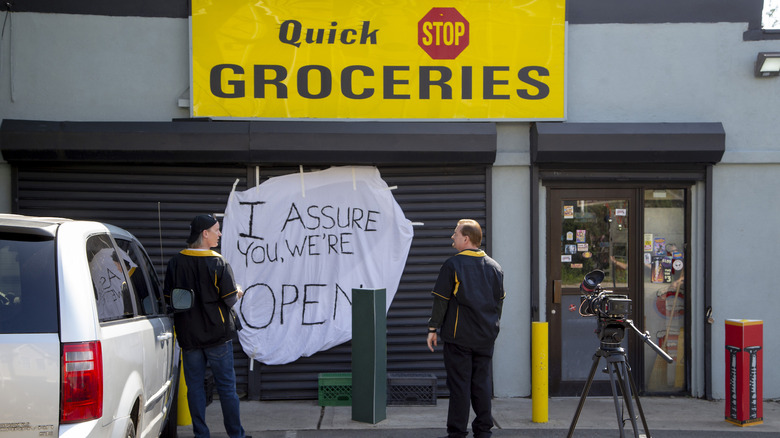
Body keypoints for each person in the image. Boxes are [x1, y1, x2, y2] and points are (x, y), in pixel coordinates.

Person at [164, 214, 249, 438]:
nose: (219, 234)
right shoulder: (218, 262)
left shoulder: (175, 262)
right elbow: (230, 299)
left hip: (188, 336)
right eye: (217, 230)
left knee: (195, 388)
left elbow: (170, 299)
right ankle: (236, 435)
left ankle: (201, 435)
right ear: (205, 234)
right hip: (217, 336)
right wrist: (238, 290)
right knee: (227, 388)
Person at [426, 219, 505, 438]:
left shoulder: (453, 265)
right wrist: (492, 328)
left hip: (459, 338)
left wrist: (433, 328)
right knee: (482, 385)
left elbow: (441, 301)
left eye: (455, 233)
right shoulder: (495, 267)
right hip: (485, 338)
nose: (453, 237)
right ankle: (483, 432)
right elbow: (499, 303)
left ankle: (457, 433)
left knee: (459, 387)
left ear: (466, 238)